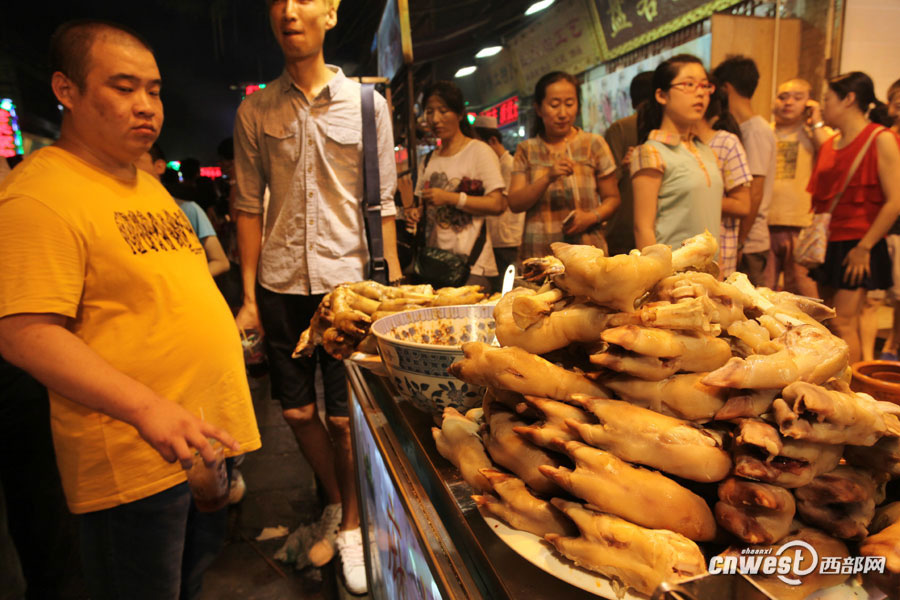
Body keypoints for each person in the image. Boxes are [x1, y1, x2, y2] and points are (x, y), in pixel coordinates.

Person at [0, 19, 261, 600]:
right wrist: (148, 410)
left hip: (200, 444)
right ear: (66, 90)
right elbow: (24, 334)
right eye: (124, 87)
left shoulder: (143, 184)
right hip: (133, 460)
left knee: (188, 584)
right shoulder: (38, 195)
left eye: (155, 89)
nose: (147, 106)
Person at [232, 0, 401, 592]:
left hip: (348, 284)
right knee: (298, 411)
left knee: (344, 418)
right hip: (280, 283)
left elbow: (383, 203)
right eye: (279, 1)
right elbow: (248, 204)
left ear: (330, 14)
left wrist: (395, 291)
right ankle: (337, 500)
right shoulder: (256, 109)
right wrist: (250, 294)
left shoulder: (367, 105)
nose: (289, 11)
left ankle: (352, 526)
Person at [807, 71, 900, 364]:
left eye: (827, 99)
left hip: (858, 243)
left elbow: (895, 200)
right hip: (828, 243)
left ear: (849, 99)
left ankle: (854, 389)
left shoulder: (879, 138)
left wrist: (865, 247)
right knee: (829, 320)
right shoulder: (829, 144)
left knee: (843, 322)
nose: (823, 106)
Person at [508, 71, 620, 260]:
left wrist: (591, 217)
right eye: (554, 105)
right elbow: (515, 203)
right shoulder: (526, 150)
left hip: (588, 250)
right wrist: (547, 177)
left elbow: (612, 198)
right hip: (541, 252)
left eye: (569, 104)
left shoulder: (594, 143)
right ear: (538, 108)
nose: (562, 113)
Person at [408, 81, 506, 290]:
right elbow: (421, 206)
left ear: (460, 114)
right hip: (434, 264)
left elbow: (498, 204)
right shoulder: (427, 160)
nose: (435, 119)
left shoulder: (479, 152)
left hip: (473, 266)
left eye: (443, 111)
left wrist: (451, 198)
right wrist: (415, 213)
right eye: (429, 112)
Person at [631, 54, 723, 250]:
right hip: (672, 273)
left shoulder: (707, 151)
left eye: (705, 86)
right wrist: (654, 276)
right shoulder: (651, 151)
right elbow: (643, 228)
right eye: (689, 85)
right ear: (661, 95)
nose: (700, 93)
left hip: (710, 270)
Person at [713, 55, 777, 287]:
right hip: (740, 240)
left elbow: (755, 193)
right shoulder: (742, 129)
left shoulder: (756, 130)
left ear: (725, 88)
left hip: (749, 242)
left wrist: (740, 243)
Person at [766, 78, 832, 297]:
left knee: (805, 292)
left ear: (809, 103)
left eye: (797, 97)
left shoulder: (815, 133)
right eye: (783, 97)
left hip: (802, 223)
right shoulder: (766, 131)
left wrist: (816, 121)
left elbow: (831, 154)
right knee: (764, 292)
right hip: (765, 222)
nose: (788, 102)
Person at [138, 143, 230, 277]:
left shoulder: (186, 209)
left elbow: (221, 262)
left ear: (159, 166)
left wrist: (186, 282)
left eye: (135, 159)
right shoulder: (124, 210)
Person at [693, 83, 752, 277]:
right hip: (682, 247)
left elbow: (742, 205)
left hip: (717, 255)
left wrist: (695, 197)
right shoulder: (670, 146)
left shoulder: (726, 143)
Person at [604, 71, 654, 255]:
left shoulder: (619, 129)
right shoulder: (623, 128)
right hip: (650, 230)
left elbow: (606, 181)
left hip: (623, 230)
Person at [475, 115, 520, 287]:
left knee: (505, 286)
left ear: (493, 141)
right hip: (496, 237)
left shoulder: (509, 164)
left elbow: (504, 202)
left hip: (506, 238)